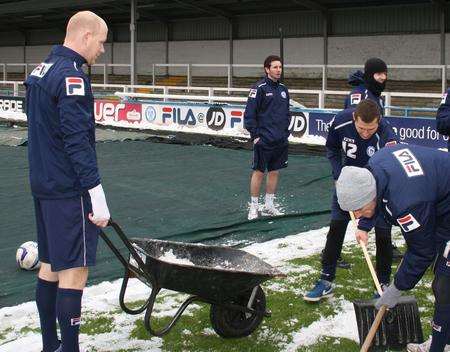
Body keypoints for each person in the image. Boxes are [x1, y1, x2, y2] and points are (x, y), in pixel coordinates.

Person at [25, 11, 110, 352]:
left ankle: (51, 346)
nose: (102, 51)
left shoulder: (40, 70)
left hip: (43, 185)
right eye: (101, 42)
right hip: (68, 190)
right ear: (86, 36)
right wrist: (96, 192)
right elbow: (76, 141)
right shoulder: (72, 77)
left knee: (49, 265)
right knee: (74, 270)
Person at [336, 145, 450, 352]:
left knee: (445, 285)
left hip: (442, 205)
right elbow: (377, 202)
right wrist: (364, 225)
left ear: (371, 194)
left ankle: (440, 346)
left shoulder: (408, 203)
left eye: (359, 210)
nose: (358, 215)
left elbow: (421, 251)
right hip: (439, 197)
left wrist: (397, 287)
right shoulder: (375, 169)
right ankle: (444, 340)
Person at [304, 99, 398, 302]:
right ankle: (326, 279)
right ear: (354, 118)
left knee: (383, 232)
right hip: (348, 185)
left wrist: (364, 223)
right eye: (362, 128)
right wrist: (339, 175)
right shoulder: (340, 122)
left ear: (379, 121)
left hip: (377, 188)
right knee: (336, 228)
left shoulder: (387, 135)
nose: (365, 133)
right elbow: (332, 149)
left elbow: (389, 171)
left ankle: (382, 282)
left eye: (370, 129)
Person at [345, 57, 403, 260]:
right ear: (370, 75)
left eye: (384, 74)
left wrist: (391, 141)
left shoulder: (375, 95)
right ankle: (332, 252)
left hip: (373, 158)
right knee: (346, 211)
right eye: (379, 74)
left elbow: (382, 125)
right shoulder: (359, 95)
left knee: (376, 205)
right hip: (359, 159)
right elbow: (351, 124)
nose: (382, 77)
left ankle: (386, 247)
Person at [244, 55, 291, 220]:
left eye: (280, 67)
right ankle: (254, 207)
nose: (278, 70)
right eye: (275, 67)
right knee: (258, 172)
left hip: (280, 140)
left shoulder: (284, 89)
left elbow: (287, 113)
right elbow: (249, 115)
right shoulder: (259, 88)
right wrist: (256, 136)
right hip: (263, 139)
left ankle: (269, 205)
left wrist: (285, 133)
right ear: (267, 69)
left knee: (274, 172)